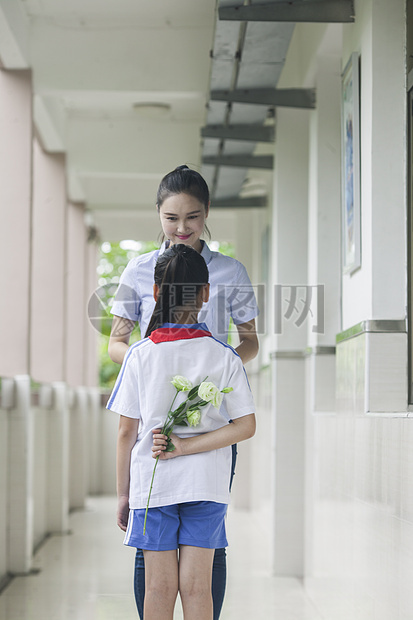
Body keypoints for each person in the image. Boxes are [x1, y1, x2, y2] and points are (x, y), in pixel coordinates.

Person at [108, 165, 259, 619]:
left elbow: (250, 341)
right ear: (159, 213)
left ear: (207, 213)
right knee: (161, 548)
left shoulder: (230, 271)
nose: (181, 228)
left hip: (213, 420)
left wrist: (209, 375)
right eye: (171, 218)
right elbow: (117, 342)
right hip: (157, 415)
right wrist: (156, 363)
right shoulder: (138, 270)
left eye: (192, 218)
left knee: (207, 544)